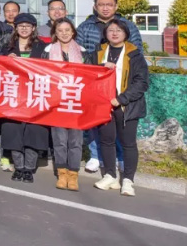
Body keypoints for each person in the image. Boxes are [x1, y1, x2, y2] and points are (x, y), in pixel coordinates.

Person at [92, 20, 149, 197]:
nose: (114, 33)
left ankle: (128, 180)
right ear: (105, 34)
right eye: (111, 30)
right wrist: (102, 67)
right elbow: (88, 71)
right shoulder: (98, 52)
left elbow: (141, 82)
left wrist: (121, 99)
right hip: (104, 104)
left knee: (128, 143)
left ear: (125, 33)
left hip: (127, 106)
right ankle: (110, 175)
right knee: (106, 140)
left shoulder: (135, 54)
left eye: (118, 30)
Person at [1, 14, 49, 183]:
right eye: (20, 25)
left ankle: (29, 169)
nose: (24, 28)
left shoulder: (43, 47)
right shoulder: (7, 47)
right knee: (13, 131)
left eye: (27, 26)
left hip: (35, 95)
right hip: (13, 95)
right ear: (15, 27)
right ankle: (18, 167)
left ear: (33, 28)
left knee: (33, 131)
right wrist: (6, 59)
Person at [47, 18, 89, 191]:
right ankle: (61, 173)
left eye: (67, 30)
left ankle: (73, 174)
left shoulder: (83, 52)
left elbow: (91, 75)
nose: (64, 33)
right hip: (56, 102)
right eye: (60, 30)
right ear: (55, 33)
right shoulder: (48, 51)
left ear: (73, 32)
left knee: (75, 140)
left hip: (76, 101)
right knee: (59, 140)